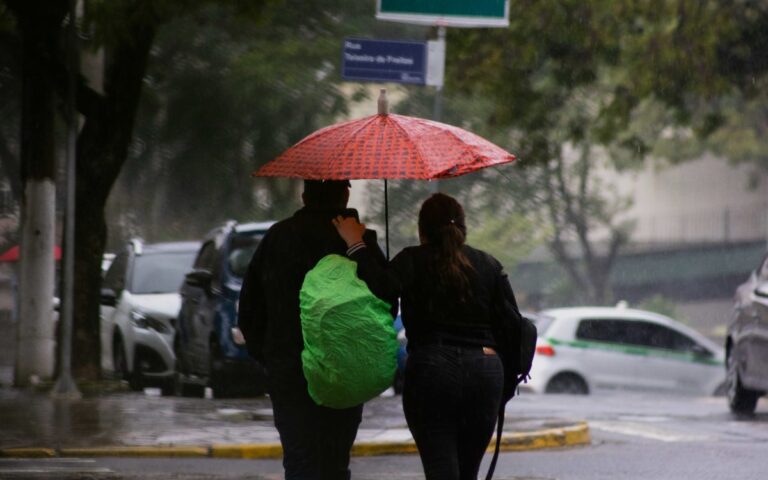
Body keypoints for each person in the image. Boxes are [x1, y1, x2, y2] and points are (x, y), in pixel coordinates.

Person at [333, 192, 519, 480]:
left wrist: (357, 243)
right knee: (468, 472)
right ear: (462, 227)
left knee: (441, 470)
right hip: (485, 373)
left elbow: (382, 286)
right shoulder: (488, 265)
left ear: (422, 230)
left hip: (433, 372)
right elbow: (512, 325)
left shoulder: (412, 260)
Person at [238, 179, 387, 480]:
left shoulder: (277, 239)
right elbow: (386, 302)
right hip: (345, 369)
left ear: (304, 196)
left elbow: (250, 310)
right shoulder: (359, 240)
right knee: (336, 463)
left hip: (290, 372)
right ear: (345, 194)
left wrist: (270, 358)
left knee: (300, 462)